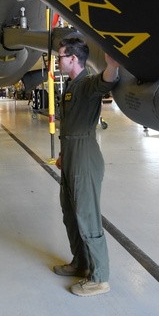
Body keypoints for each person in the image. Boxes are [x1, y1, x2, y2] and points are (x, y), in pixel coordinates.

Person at [52, 37, 119, 297]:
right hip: (70, 153)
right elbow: (69, 124)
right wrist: (62, 153)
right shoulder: (69, 86)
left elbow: (106, 81)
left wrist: (112, 65)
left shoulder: (87, 83)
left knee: (87, 216)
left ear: (72, 59)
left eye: (60, 56)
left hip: (85, 156)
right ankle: (81, 263)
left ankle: (99, 277)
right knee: (70, 212)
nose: (57, 61)